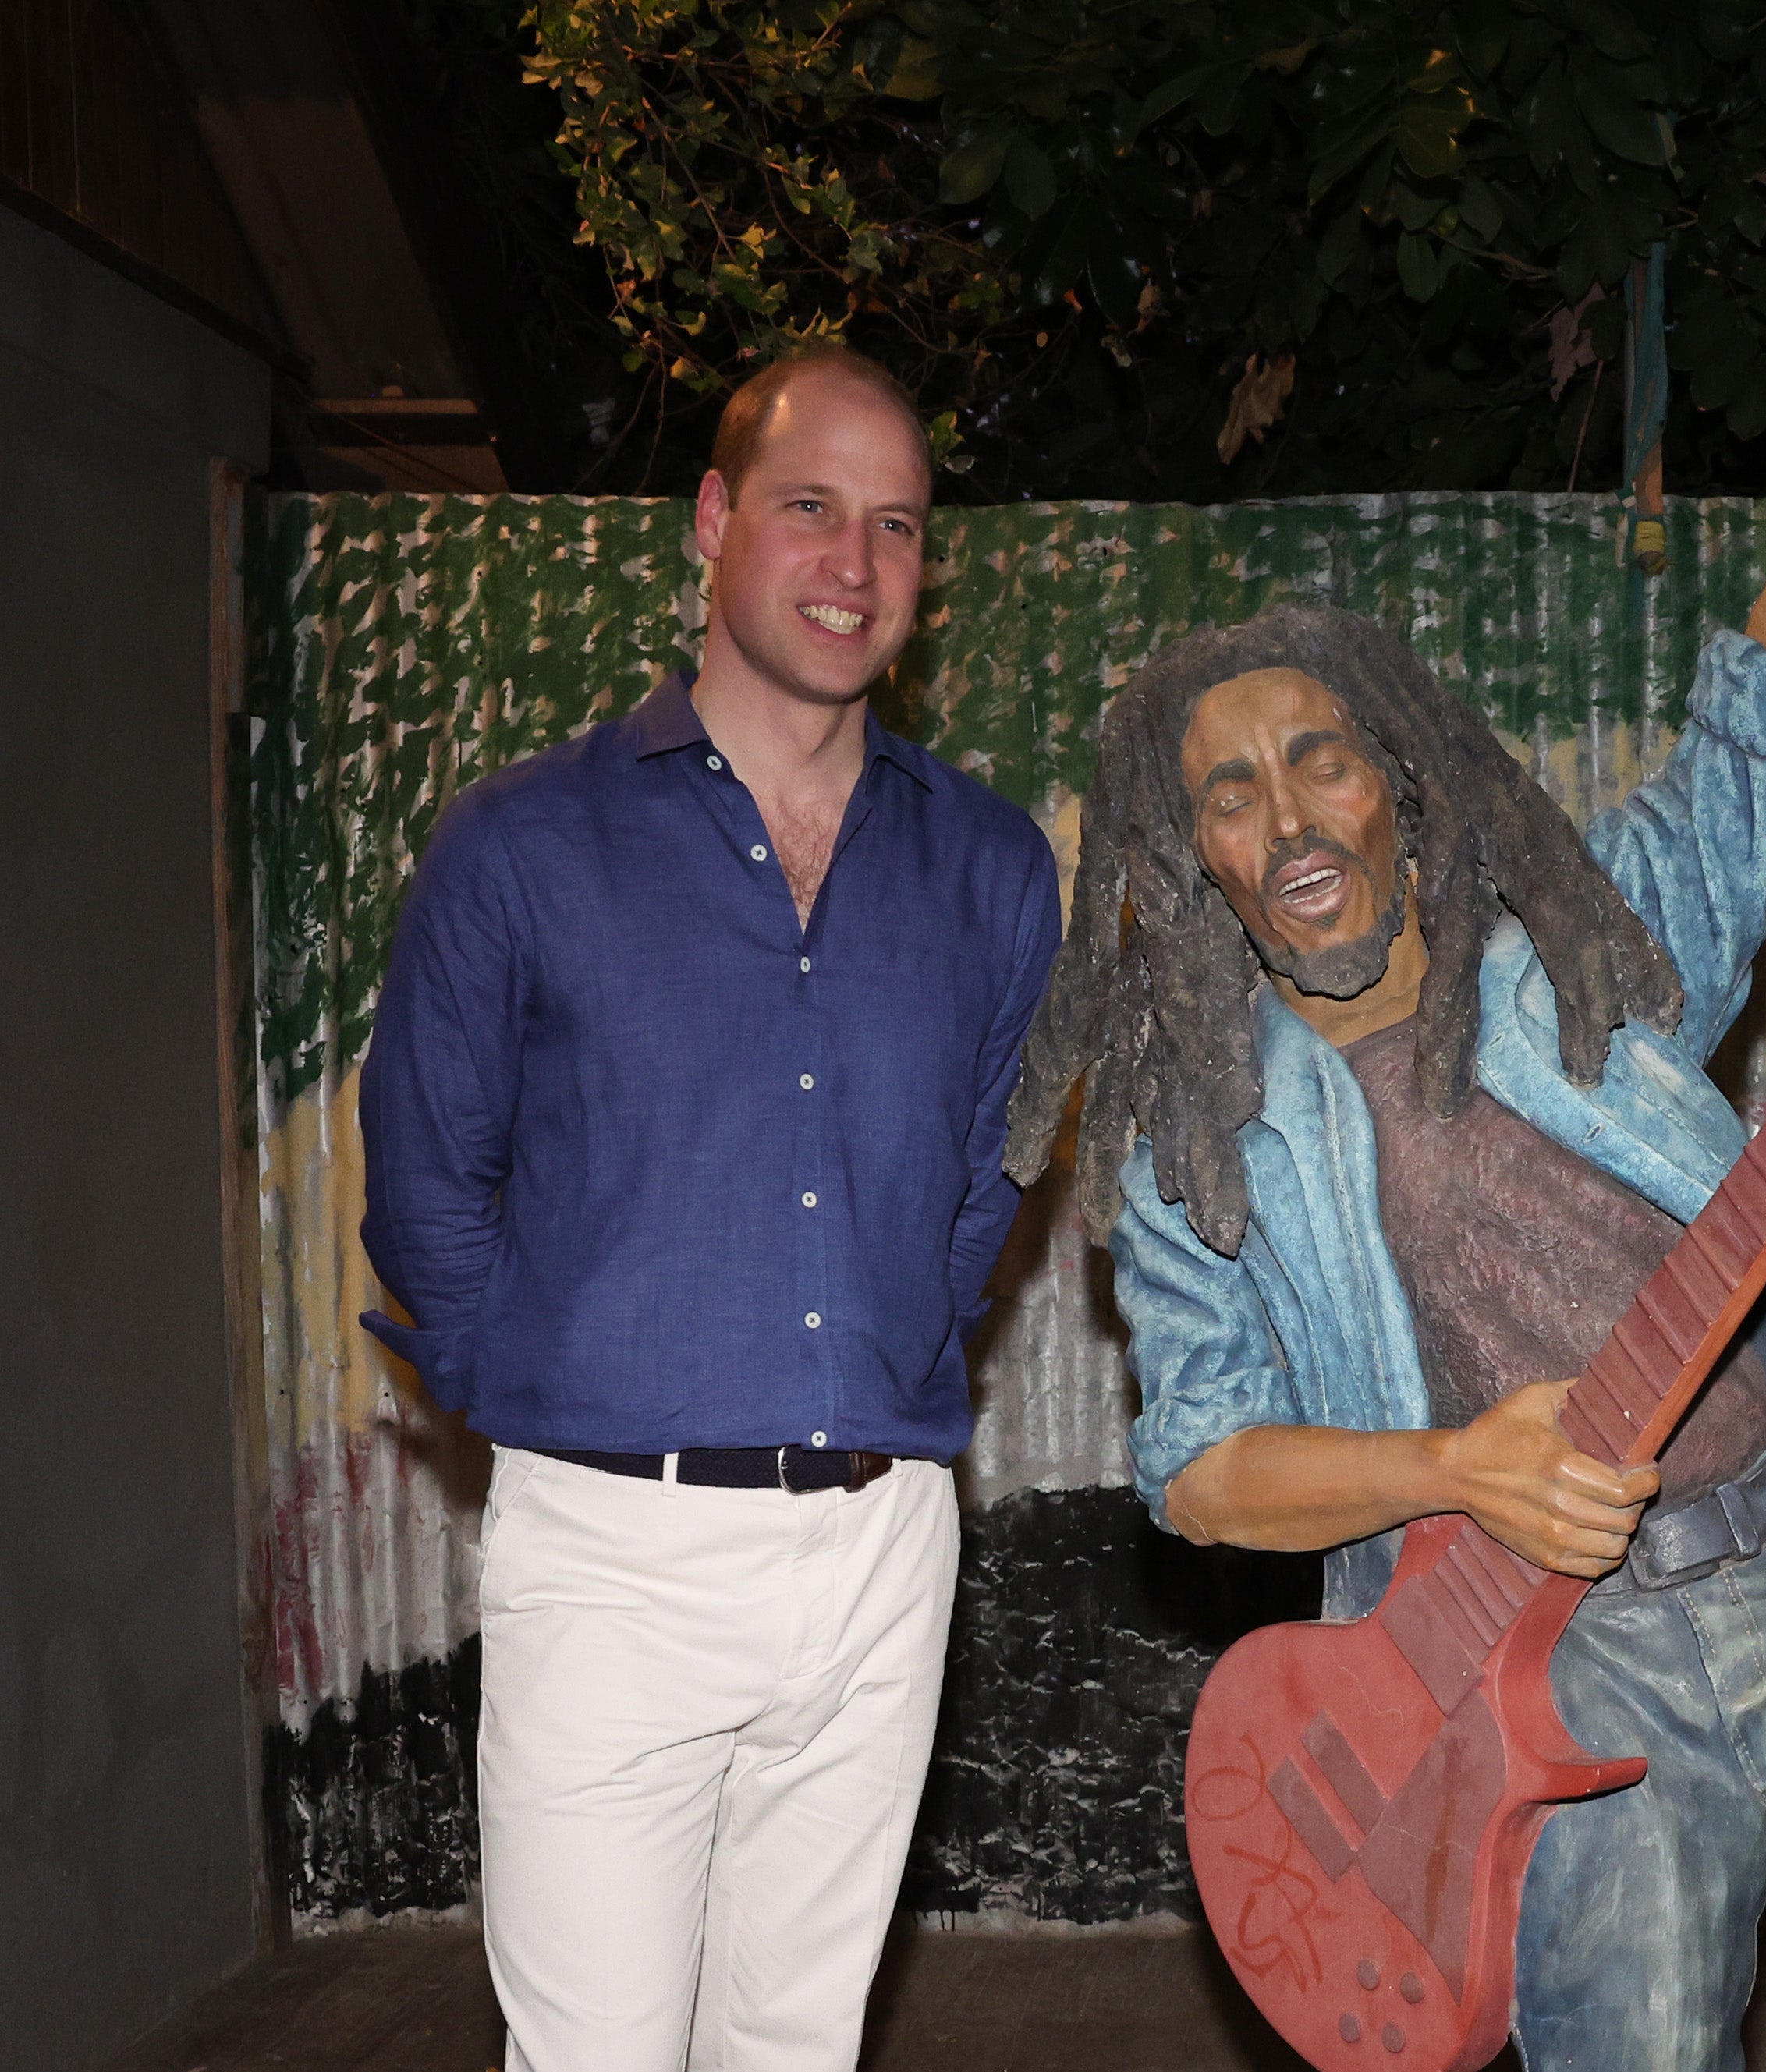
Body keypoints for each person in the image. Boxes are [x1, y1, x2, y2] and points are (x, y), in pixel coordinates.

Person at [1006, 97, 1766, 2072]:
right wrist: (1453, 1472)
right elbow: (1197, 1468)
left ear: (1405, 781)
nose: (1285, 811)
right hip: (1555, 1684)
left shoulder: (1591, 969)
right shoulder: (1206, 1142)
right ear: (1185, 856)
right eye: (1228, 789)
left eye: (1322, 759)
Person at [357, 344, 1061, 2072]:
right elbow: (425, 1182)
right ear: (713, 519)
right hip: (614, 1557)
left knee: (797, 2048)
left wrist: (887, 1352)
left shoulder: (988, 865)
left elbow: (989, 1172)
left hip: (887, 1546)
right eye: (811, 507)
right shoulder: (521, 847)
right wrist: (562, 1387)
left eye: (896, 528)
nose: (853, 564)